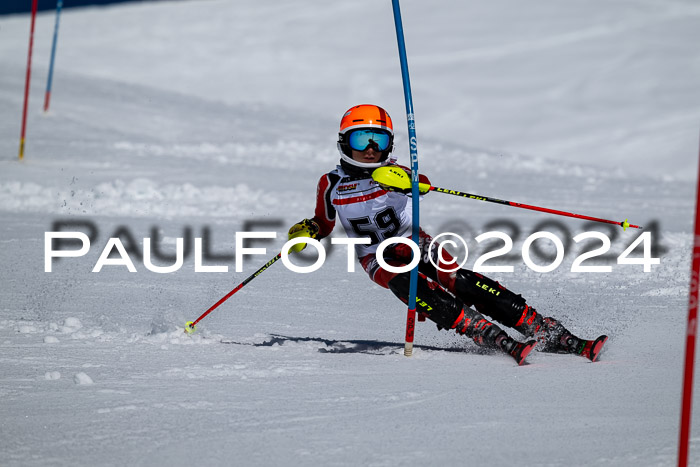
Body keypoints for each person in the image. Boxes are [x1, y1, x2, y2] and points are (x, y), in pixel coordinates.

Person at [288, 104, 607, 365]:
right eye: (362, 141)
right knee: (409, 284)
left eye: (379, 141)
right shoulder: (330, 184)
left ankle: (544, 329)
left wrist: (408, 181)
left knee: (459, 280)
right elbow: (324, 221)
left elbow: (421, 183)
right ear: (344, 143)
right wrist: (310, 230)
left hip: (414, 241)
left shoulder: (394, 173)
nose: (371, 150)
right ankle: (487, 334)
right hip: (375, 257)